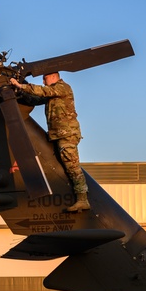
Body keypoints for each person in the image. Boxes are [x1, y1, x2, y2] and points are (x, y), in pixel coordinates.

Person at [9, 72, 89, 212]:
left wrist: (20, 85)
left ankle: (83, 200)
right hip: (57, 135)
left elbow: (43, 91)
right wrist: (18, 92)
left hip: (67, 135)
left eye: (45, 78)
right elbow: (36, 99)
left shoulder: (62, 88)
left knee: (72, 166)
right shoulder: (52, 94)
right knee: (63, 165)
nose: (43, 81)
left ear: (53, 76)